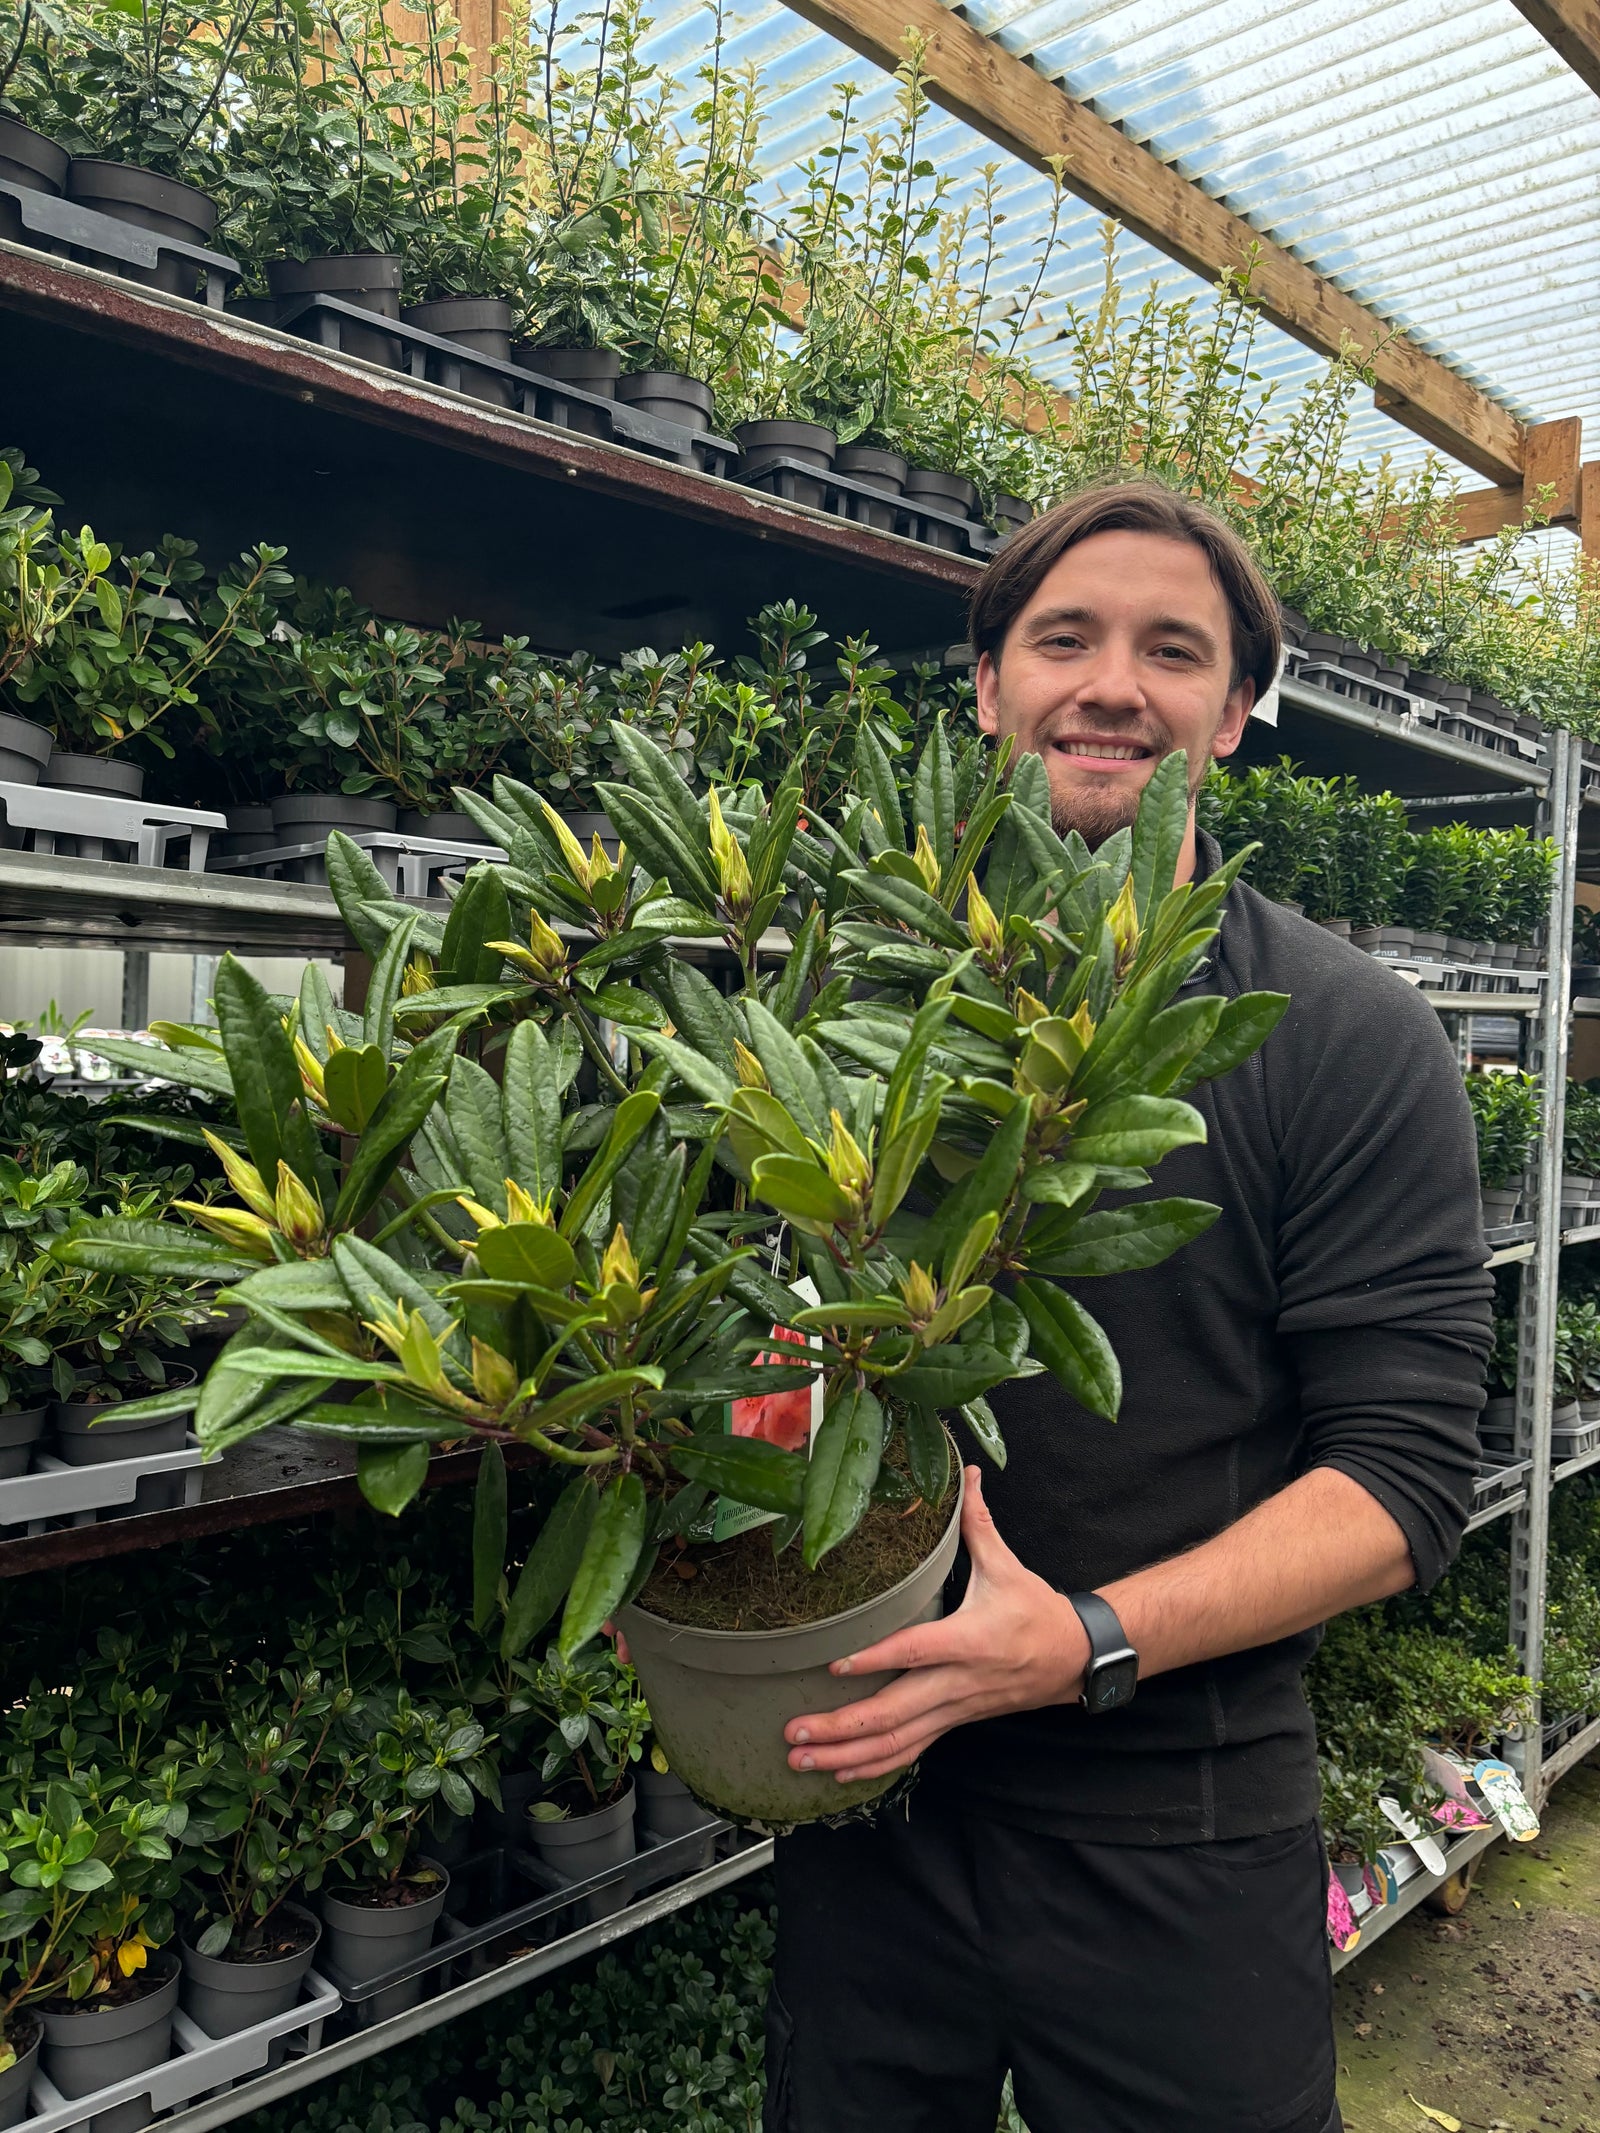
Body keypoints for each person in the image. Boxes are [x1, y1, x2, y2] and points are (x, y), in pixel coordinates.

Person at [764, 479, 1493, 2133]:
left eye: (1175, 650)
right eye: (1064, 638)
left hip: (1182, 1803)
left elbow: (1405, 1483)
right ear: (986, 688)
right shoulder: (839, 1002)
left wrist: (1082, 1641)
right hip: (873, 1797)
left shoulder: (1336, 1033)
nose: (1112, 684)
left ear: (1234, 714)